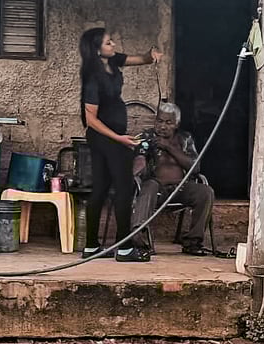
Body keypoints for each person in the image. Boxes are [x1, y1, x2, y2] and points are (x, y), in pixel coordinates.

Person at [79, 28, 163, 262]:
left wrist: (151, 54)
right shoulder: (93, 78)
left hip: (113, 137)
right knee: (124, 189)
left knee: (101, 189)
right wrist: (119, 138)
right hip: (106, 138)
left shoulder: (112, 62)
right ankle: (125, 248)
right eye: (108, 43)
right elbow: (91, 120)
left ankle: (91, 247)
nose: (113, 44)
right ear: (97, 50)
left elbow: (140, 59)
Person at [130, 102, 215, 256]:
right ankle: (139, 242)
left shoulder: (185, 138)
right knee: (148, 187)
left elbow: (195, 168)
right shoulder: (147, 137)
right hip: (156, 189)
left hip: (181, 188)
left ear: (177, 124)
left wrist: (169, 147)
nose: (162, 126)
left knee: (206, 192)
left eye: (168, 123)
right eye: (160, 121)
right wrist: (140, 160)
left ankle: (193, 242)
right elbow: (139, 159)